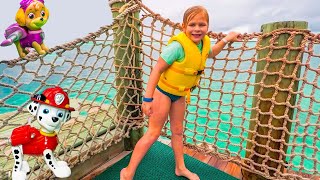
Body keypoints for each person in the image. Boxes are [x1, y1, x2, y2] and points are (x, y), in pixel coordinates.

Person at [120, 5, 240, 180]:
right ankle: (128, 172)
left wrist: (227, 39)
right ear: (184, 27)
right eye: (192, 24)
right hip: (163, 93)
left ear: (208, 27)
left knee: (177, 131)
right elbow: (157, 70)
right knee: (153, 133)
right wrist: (147, 98)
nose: (197, 29)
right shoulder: (177, 46)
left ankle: (180, 168)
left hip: (180, 95)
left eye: (202, 25)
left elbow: (212, 53)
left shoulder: (204, 44)